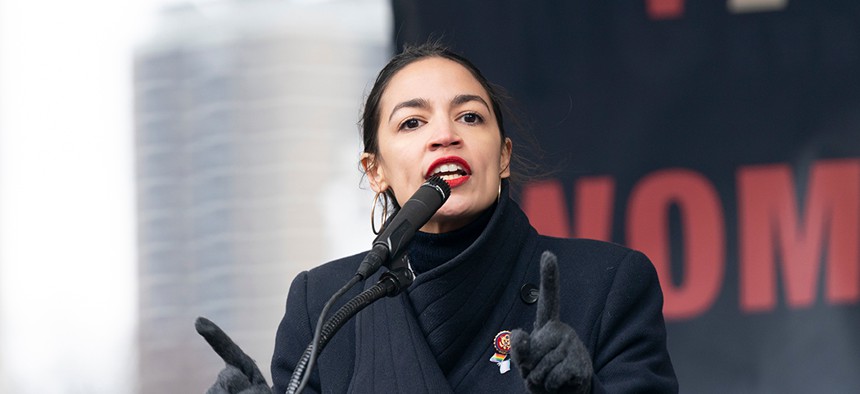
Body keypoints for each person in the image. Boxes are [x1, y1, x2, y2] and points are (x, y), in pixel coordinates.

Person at [201, 42, 678, 394]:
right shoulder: (323, 303)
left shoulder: (607, 283)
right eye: (412, 122)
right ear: (376, 171)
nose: (445, 134)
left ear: (504, 155)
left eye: (470, 117)